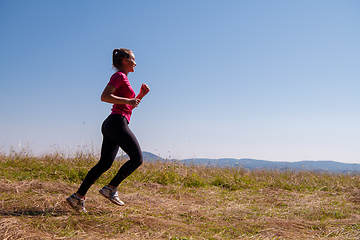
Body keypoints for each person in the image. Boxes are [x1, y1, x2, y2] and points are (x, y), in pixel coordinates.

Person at [66, 48, 150, 213]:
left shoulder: (124, 78)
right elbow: (104, 96)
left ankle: (78, 197)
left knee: (104, 163)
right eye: (133, 59)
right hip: (117, 122)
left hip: (114, 123)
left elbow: (129, 105)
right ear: (125, 60)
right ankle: (111, 188)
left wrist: (141, 95)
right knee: (137, 159)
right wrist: (129, 99)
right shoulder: (119, 76)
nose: (136, 62)